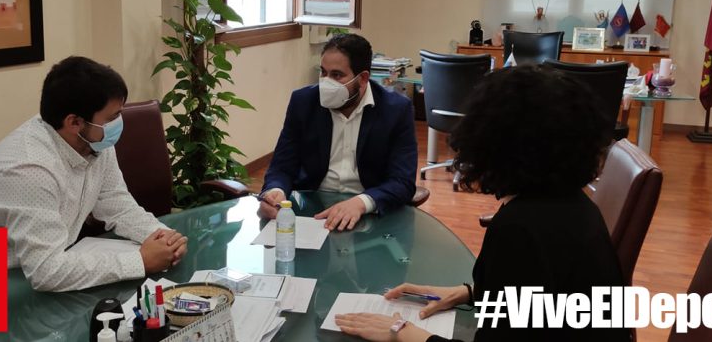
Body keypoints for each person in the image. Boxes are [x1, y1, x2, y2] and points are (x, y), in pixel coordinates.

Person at [335, 65, 627, 341]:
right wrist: (469, 293)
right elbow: (541, 294)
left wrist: (401, 330)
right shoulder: (574, 205)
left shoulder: (521, 228)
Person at [0, 56, 187, 292]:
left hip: (20, 272)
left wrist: (163, 239)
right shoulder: (30, 168)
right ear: (74, 122)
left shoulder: (93, 140)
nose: (118, 123)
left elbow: (116, 204)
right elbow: (47, 271)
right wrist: (140, 261)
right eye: (112, 117)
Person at [258, 33, 417, 231]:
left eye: (337, 75)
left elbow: (402, 182)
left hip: (368, 215)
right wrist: (275, 191)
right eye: (323, 73)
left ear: (363, 78)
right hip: (312, 211)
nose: (326, 83)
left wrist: (361, 202)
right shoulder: (304, 102)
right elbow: (282, 166)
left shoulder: (395, 110)